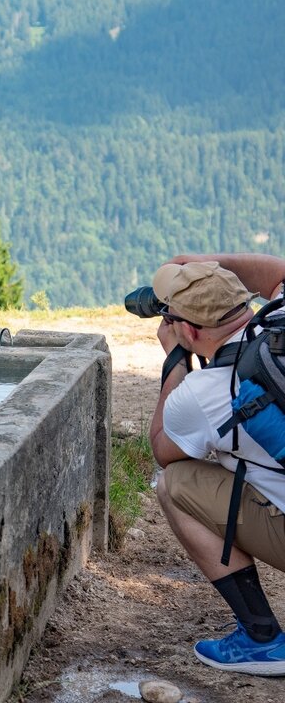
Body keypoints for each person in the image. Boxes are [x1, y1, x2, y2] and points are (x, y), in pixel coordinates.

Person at [149, 257, 285, 675]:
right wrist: (209, 264)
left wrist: (174, 359)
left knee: (173, 484)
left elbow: (163, 448)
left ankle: (262, 640)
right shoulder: (279, 318)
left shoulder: (205, 391)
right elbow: (279, 273)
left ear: (189, 330)